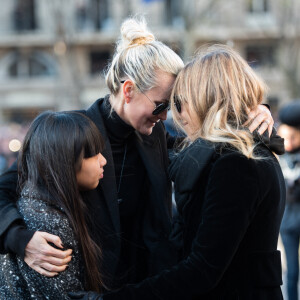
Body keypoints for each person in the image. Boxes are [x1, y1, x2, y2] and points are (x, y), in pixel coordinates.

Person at [0, 18, 275, 289]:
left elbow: (219, 146)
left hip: (146, 287)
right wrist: (19, 239)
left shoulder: (156, 137)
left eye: (173, 104)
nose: (166, 115)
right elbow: (5, 188)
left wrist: (251, 112)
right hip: (89, 288)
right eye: (160, 105)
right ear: (129, 90)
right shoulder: (67, 135)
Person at [70, 44, 286, 300]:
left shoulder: (236, 162)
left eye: (179, 103)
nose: (175, 115)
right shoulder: (243, 153)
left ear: (206, 99)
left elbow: (202, 269)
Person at [0, 111, 107, 299]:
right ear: (65, 160)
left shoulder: (43, 203)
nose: (103, 160)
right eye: (93, 154)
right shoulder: (47, 221)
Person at [278, 121, 300, 300]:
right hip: (288, 224)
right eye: (285, 138)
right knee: (291, 271)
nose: (288, 142)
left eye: (293, 137)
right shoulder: (277, 158)